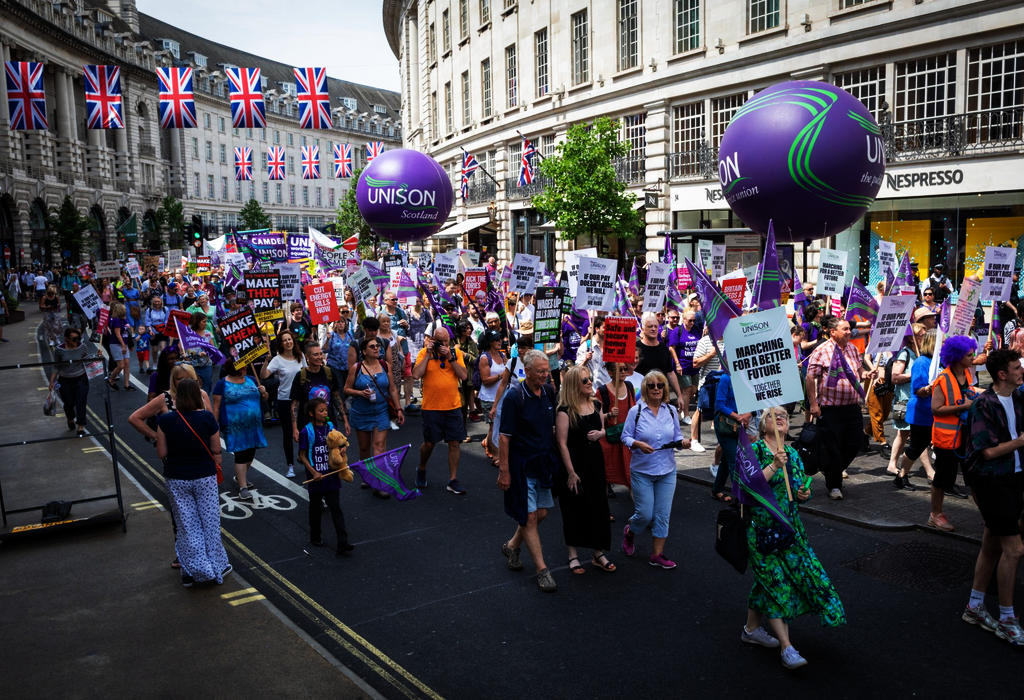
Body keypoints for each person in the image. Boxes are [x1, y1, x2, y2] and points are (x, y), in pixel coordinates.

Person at [741, 406, 846, 669]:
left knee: (768, 581)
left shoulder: (794, 454)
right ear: (763, 423)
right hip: (763, 531)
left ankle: (751, 630)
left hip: (790, 530)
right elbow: (747, 487)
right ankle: (787, 648)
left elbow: (799, 490)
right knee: (776, 583)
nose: (780, 418)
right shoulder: (754, 451)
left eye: (784, 416)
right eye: (773, 416)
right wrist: (773, 466)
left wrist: (802, 494)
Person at [963, 348, 1024, 645]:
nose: (1021, 371)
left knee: (991, 544)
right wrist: (1020, 442)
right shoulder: (983, 404)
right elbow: (985, 451)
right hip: (991, 482)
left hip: (1013, 479)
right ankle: (1007, 619)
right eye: (1016, 368)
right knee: (1014, 550)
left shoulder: (1017, 397)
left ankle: (974, 606)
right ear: (1002, 374)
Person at [156, 379, 231, 587]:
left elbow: (161, 452)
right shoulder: (207, 418)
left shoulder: (166, 421)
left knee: (187, 527)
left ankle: (192, 572)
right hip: (204, 477)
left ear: (177, 397)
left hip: (177, 478)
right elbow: (216, 450)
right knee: (210, 524)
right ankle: (216, 567)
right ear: (198, 396)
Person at [497, 349, 561, 592]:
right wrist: (504, 471)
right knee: (529, 516)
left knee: (541, 514)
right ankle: (542, 569)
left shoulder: (548, 392)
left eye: (547, 370)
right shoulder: (515, 397)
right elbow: (504, 437)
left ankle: (512, 545)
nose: (546, 375)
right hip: (521, 466)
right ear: (528, 371)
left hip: (543, 464)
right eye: (541, 371)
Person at [621, 370, 687, 569]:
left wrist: (682, 442)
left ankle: (657, 555)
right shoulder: (636, 411)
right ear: (645, 389)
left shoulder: (671, 411)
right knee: (645, 514)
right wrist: (638, 444)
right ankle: (630, 532)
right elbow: (625, 437)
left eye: (660, 385)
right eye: (652, 386)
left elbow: (676, 437)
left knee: (662, 514)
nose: (656, 389)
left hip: (667, 470)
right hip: (642, 471)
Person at [555, 365, 615, 575]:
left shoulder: (596, 404)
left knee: (598, 505)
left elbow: (602, 429)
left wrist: (602, 434)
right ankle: (573, 555)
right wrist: (571, 472)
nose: (590, 382)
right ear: (574, 385)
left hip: (594, 462)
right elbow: (561, 443)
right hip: (574, 463)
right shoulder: (565, 411)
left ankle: (598, 552)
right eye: (584, 380)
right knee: (573, 507)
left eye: (590, 379)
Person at [805, 317, 871, 500]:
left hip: (852, 406)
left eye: (849, 328)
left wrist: (868, 374)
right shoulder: (822, 350)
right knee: (833, 447)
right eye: (845, 329)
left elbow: (859, 373)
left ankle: (831, 468)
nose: (849, 332)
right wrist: (813, 404)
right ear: (833, 332)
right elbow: (810, 378)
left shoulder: (852, 349)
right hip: (830, 409)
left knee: (855, 443)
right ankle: (834, 485)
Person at [924, 335, 979, 531]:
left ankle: (988, 514)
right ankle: (935, 515)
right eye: (969, 355)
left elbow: (969, 392)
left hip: (965, 434)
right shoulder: (943, 379)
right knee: (943, 478)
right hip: (947, 438)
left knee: (973, 474)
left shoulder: (967, 374)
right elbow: (935, 408)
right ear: (956, 357)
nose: (973, 358)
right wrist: (963, 406)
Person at [344, 336, 403, 499]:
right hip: (361, 412)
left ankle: (379, 483)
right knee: (364, 448)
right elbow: (346, 389)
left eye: (378, 346)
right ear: (364, 351)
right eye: (372, 347)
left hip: (381, 411)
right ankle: (367, 475)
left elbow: (392, 389)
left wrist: (398, 408)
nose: (377, 348)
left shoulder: (385, 366)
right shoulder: (356, 368)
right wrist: (360, 393)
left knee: (379, 446)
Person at [412, 328, 468, 494]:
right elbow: (416, 375)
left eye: (446, 341)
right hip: (431, 407)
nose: (443, 345)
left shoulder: (455, 353)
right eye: (440, 342)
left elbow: (464, 376)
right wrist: (429, 354)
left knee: (454, 442)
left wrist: (450, 358)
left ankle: (453, 479)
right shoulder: (424, 353)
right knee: (429, 443)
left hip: (452, 406)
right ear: (434, 340)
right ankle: (421, 468)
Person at [299, 397, 354, 556]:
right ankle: (315, 536)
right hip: (316, 476)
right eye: (321, 411)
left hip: (331, 475)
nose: (325, 413)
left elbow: (339, 443)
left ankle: (343, 543)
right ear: (311, 413)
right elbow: (302, 455)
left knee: (335, 508)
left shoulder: (330, 426)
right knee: (315, 508)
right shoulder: (306, 431)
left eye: (325, 410)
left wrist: (342, 449)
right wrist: (313, 472)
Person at [212, 361, 268, 502]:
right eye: (243, 367)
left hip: (254, 425)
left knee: (250, 454)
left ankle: (239, 477)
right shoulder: (222, 384)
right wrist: (214, 426)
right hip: (234, 427)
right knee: (241, 454)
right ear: (234, 369)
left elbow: (265, 398)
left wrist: (264, 392)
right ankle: (243, 487)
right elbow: (217, 406)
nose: (246, 368)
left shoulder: (252, 379)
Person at [888, 324, 934, 481]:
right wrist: (913, 375)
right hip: (907, 399)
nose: (922, 337)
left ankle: (896, 467)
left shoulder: (922, 356)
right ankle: (926, 470)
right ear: (911, 337)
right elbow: (894, 378)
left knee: (910, 437)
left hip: (919, 403)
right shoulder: (905, 354)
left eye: (924, 334)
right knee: (910, 438)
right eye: (920, 335)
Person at [262, 330, 306, 477]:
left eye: (290, 339)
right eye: (285, 340)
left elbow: (307, 374)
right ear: (281, 344)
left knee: (304, 431)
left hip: (302, 400)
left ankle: (303, 456)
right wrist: (266, 361)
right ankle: (290, 465)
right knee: (288, 433)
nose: (288, 342)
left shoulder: (301, 356)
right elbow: (264, 375)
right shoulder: (277, 360)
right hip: (285, 401)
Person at [291, 340, 351, 447]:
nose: (319, 357)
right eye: (315, 354)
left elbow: (336, 398)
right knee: (311, 457)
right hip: (308, 425)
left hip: (329, 424)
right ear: (307, 357)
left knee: (332, 456)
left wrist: (345, 420)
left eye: (320, 354)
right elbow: (295, 404)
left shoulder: (329, 373)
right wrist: (295, 428)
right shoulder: (300, 376)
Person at [49, 327, 97, 437]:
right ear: (66, 339)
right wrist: (52, 381)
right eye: (74, 339)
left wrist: (97, 356)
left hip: (80, 379)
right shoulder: (59, 350)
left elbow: (88, 361)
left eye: (78, 338)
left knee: (81, 402)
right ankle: (70, 418)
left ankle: (81, 426)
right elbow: (56, 366)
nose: (77, 341)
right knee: (69, 403)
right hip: (65, 380)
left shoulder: (82, 347)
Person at [636, 313, 686, 417]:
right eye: (650, 326)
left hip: (661, 399)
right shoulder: (636, 348)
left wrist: (679, 396)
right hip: (640, 399)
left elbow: (670, 373)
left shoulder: (663, 348)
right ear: (643, 328)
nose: (653, 329)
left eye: (655, 326)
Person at [598, 361, 635, 491]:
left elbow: (634, 410)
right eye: (620, 370)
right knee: (609, 473)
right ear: (610, 372)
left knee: (631, 476)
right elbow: (595, 418)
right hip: (612, 439)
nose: (624, 372)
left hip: (628, 439)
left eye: (625, 369)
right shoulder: (602, 391)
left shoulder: (629, 387)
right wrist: (608, 415)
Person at [575, 316, 610, 388]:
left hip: (608, 389)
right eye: (605, 327)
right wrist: (586, 359)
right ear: (597, 329)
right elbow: (577, 370)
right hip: (592, 390)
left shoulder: (611, 346)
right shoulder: (585, 347)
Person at [106, 302, 133, 392]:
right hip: (116, 344)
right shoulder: (116, 320)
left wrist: (128, 344)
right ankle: (111, 379)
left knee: (127, 365)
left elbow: (126, 333)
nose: (125, 310)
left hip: (124, 344)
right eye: (124, 309)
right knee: (121, 365)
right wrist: (123, 346)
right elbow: (117, 334)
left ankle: (127, 385)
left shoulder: (123, 320)